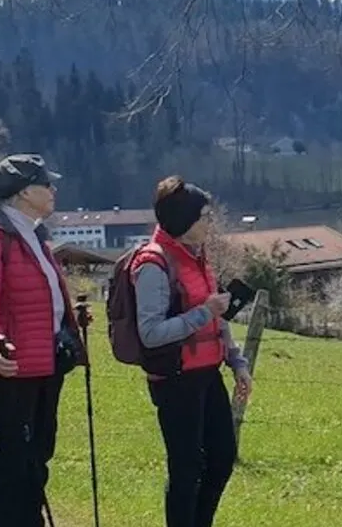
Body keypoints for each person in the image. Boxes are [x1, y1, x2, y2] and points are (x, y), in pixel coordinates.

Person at [0, 153, 88, 527]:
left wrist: (67, 320)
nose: (53, 190)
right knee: (10, 468)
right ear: (25, 191)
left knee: (36, 459)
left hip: (43, 363)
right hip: (12, 367)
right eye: (46, 184)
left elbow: (40, 297)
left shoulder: (32, 233)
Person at [126, 176, 252, 527]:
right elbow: (150, 334)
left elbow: (220, 319)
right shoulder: (152, 264)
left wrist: (236, 361)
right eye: (203, 217)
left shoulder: (198, 258)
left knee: (222, 459)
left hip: (208, 374)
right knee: (186, 471)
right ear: (184, 221)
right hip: (175, 380)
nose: (209, 223)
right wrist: (204, 312)